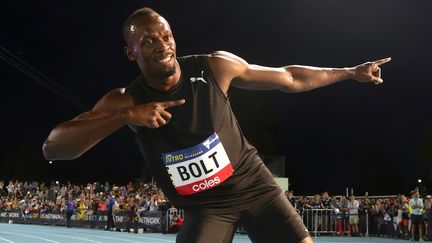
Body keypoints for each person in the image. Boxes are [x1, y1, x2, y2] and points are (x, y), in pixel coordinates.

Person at [42, 7, 391, 243]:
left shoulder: (214, 67)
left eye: (166, 36)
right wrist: (125, 117)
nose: (162, 45)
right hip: (205, 207)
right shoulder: (125, 100)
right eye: (147, 41)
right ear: (130, 53)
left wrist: (348, 73)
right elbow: (55, 147)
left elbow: (289, 77)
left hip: (255, 188)